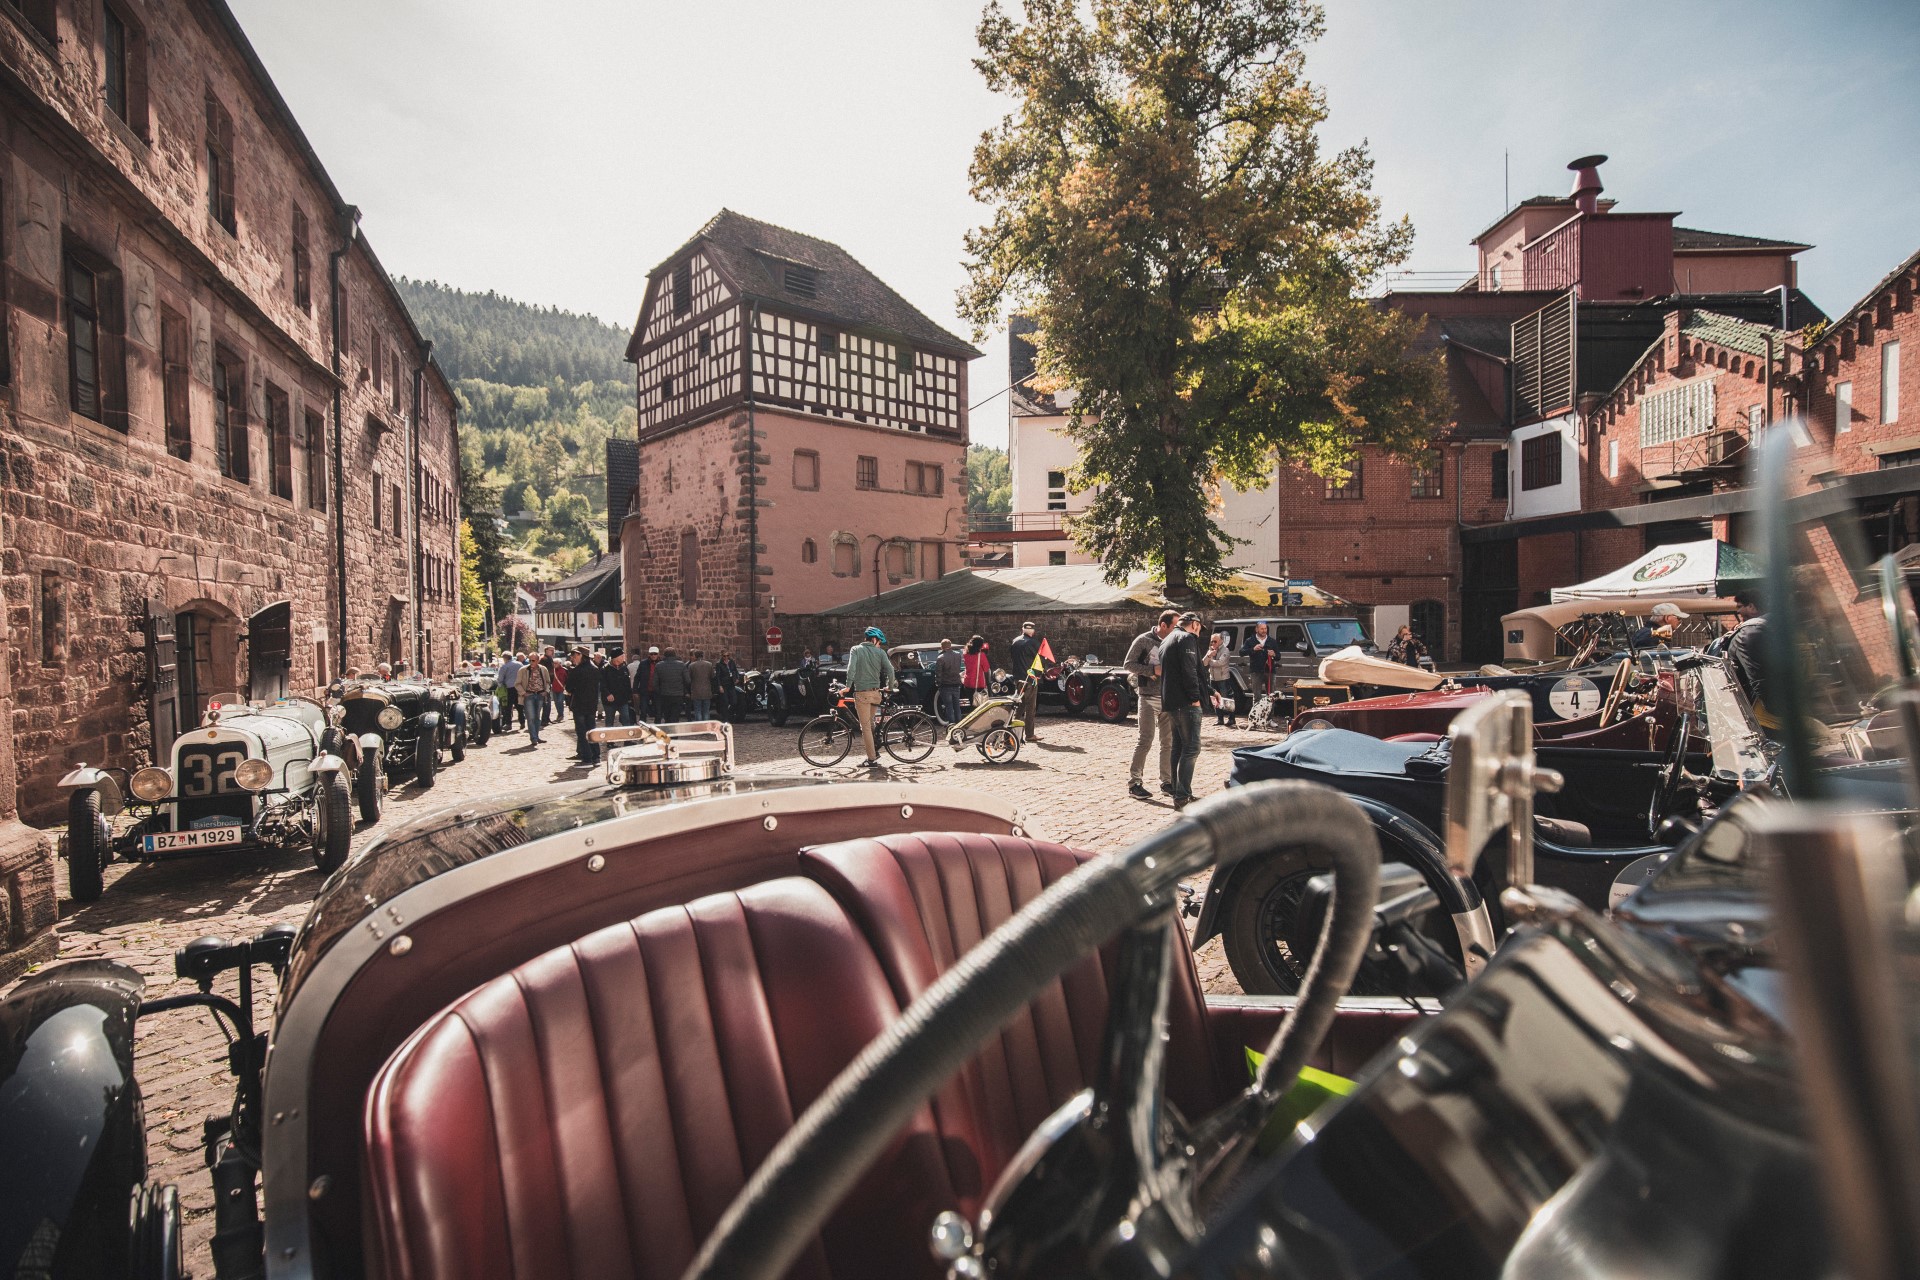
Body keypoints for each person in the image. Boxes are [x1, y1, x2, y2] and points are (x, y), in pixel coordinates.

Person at [1158, 611, 1216, 810]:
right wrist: (1195, 699)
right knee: (1191, 748)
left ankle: (1179, 790)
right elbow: (1190, 671)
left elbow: (1186, 671)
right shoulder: (1186, 638)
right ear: (1195, 624)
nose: (1200, 633)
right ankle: (1182, 795)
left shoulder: (1167, 640)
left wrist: (1210, 691)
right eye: (1200, 628)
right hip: (1186, 703)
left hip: (1171, 703)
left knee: (1179, 747)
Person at [1124, 610, 1177, 799]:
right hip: (1148, 697)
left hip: (1168, 698)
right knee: (1145, 740)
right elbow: (1128, 664)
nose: (1176, 630)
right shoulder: (1143, 640)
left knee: (1168, 742)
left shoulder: (1174, 641)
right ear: (1163, 625)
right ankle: (1135, 783)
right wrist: (1151, 670)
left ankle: (1167, 782)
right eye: (1173, 626)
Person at [845, 626, 898, 768]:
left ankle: (871, 759)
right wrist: (890, 687)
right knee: (871, 723)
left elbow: (851, 668)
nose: (879, 644)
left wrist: (848, 686)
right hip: (876, 694)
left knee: (865, 727)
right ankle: (875, 747)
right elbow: (890, 670)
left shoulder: (855, 649)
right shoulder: (880, 652)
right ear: (874, 639)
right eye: (879, 641)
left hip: (862, 693)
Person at [1724, 592, 1777, 732]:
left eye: (1740, 606)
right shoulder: (1752, 632)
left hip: (1760, 714)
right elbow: (1761, 682)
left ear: (1752, 607)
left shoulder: (1759, 630)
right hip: (1758, 718)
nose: (1738, 611)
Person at [1008, 621, 1046, 743]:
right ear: (1033, 631)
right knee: (1030, 707)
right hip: (1030, 679)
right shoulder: (1034, 643)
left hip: (1018, 677)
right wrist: (1039, 675)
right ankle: (1029, 734)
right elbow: (1040, 661)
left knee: (1020, 706)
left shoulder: (1015, 641)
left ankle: (1012, 731)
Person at [566, 647, 603, 763]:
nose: (572, 658)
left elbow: (569, 688)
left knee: (582, 732)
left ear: (580, 655)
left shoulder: (577, 670)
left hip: (580, 704)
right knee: (592, 730)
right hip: (591, 704)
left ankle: (587, 758)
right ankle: (596, 756)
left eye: (574, 655)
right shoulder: (595, 668)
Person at [517, 654, 551, 746]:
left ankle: (536, 736)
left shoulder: (543, 669)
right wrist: (523, 693)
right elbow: (517, 683)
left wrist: (546, 691)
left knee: (537, 717)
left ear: (538, 660)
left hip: (540, 694)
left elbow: (548, 682)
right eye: (530, 660)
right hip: (529, 695)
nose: (531, 662)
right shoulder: (523, 670)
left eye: (533, 660)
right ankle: (533, 738)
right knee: (530, 717)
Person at [1206, 632, 1237, 728]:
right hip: (1213, 678)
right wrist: (1209, 656)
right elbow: (1203, 662)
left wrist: (1209, 659)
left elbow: (1220, 663)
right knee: (1215, 699)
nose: (1213, 644)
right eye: (1211, 642)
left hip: (1223, 678)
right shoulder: (1210, 650)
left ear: (1221, 641)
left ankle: (1231, 719)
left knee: (1226, 698)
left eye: (1215, 641)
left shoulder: (1225, 650)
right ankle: (1220, 719)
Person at [933, 638, 966, 724]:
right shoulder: (958, 655)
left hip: (945, 685)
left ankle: (952, 725)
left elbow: (938, 674)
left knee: (949, 707)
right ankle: (959, 724)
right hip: (956, 684)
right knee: (957, 706)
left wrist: (938, 684)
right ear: (950, 646)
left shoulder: (940, 658)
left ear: (942, 647)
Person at [1242, 622, 1277, 698]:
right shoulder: (1250, 640)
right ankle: (1256, 710)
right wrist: (1253, 649)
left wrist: (1274, 654)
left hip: (1270, 672)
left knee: (1271, 697)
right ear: (1256, 629)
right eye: (1262, 629)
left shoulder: (1272, 641)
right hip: (1256, 672)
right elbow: (1241, 652)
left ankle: (1270, 710)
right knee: (1257, 696)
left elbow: (1278, 656)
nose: (1264, 631)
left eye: (1265, 628)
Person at [656, 648, 691, 721]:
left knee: (667, 716)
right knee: (675, 716)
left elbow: (655, 682)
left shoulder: (659, 665)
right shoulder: (681, 665)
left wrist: (659, 692)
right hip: (678, 695)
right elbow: (687, 680)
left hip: (664, 694)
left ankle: (668, 729)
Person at [601, 650, 634, 726]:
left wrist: (629, 697)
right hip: (610, 701)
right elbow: (602, 684)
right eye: (622, 656)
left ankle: (628, 736)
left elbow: (627, 684)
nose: (624, 657)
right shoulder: (605, 669)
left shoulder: (624, 667)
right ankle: (609, 736)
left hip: (623, 700)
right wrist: (608, 694)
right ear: (616, 658)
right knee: (609, 720)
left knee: (626, 719)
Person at [496, 651, 524, 731]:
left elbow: (500, 678)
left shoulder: (504, 666)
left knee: (508, 707)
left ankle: (508, 724)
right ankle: (522, 722)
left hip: (509, 688)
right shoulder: (519, 664)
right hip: (519, 687)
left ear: (505, 658)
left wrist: (500, 685)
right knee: (520, 706)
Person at [962, 635, 991, 709]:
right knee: (980, 707)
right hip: (979, 684)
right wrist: (988, 684)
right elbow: (986, 669)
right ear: (980, 645)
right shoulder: (981, 655)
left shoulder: (965, 654)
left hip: (968, 683)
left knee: (972, 704)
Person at [633, 646, 661, 721]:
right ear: (649, 655)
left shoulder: (661, 663)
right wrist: (635, 690)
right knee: (643, 710)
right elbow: (637, 677)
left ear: (658, 654)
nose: (653, 656)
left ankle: (658, 726)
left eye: (655, 654)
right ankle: (643, 726)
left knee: (658, 710)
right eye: (652, 654)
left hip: (657, 691)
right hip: (645, 690)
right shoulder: (643, 663)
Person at [688, 650, 717, 721]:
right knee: (706, 711)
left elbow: (689, 678)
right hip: (707, 691)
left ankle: (699, 727)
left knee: (698, 711)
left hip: (696, 691)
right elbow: (712, 677)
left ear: (695, 656)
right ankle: (706, 727)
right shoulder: (709, 665)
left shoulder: (691, 666)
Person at [715, 651, 742, 721]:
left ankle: (729, 714)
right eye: (724, 656)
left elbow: (735, 671)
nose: (726, 657)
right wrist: (720, 686)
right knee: (725, 702)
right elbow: (717, 676)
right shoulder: (719, 664)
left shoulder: (731, 662)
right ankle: (725, 718)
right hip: (724, 685)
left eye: (727, 656)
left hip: (731, 684)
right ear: (722, 656)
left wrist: (737, 678)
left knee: (734, 701)